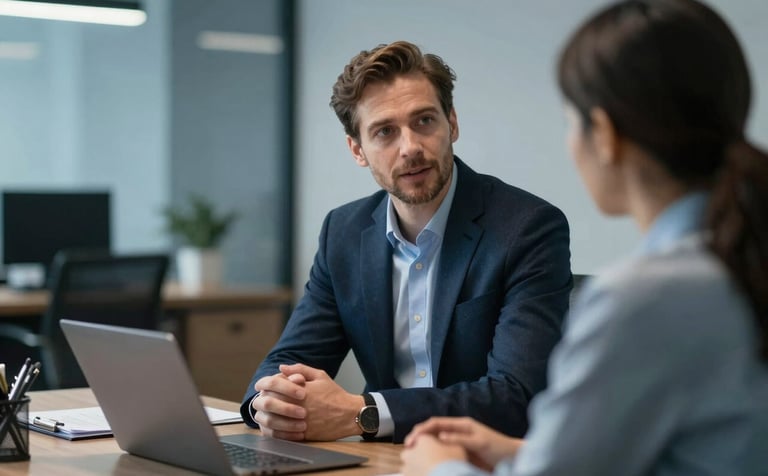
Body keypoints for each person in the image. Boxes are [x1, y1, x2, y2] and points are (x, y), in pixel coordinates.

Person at [401, 0, 768, 474]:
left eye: (572, 121)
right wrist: (522, 454)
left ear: (604, 134)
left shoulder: (642, 299)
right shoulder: (739, 261)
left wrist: (438, 467)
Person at [239, 40, 572, 443]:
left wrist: (364, 414)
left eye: (425, 121)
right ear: (357, 150)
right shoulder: (343, 232)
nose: (410, 147)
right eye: (385, 132)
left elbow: (517, 396)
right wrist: (271, 403)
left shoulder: (527, 228)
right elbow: (288, 360)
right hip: (382, 461)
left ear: (452, 123)